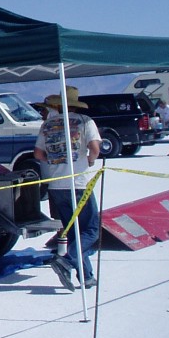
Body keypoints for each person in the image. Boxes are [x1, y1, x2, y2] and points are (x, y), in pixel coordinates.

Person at [34, 88, 102, 291]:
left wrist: (55, 162)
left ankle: (86, 276)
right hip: (78, 182)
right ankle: (67, 259)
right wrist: (89, 160)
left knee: (73, 232)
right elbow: (95, 148)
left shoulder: (47, 125)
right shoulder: (85, 121)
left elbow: (38, 154)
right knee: (91, 229)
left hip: (56, 184)